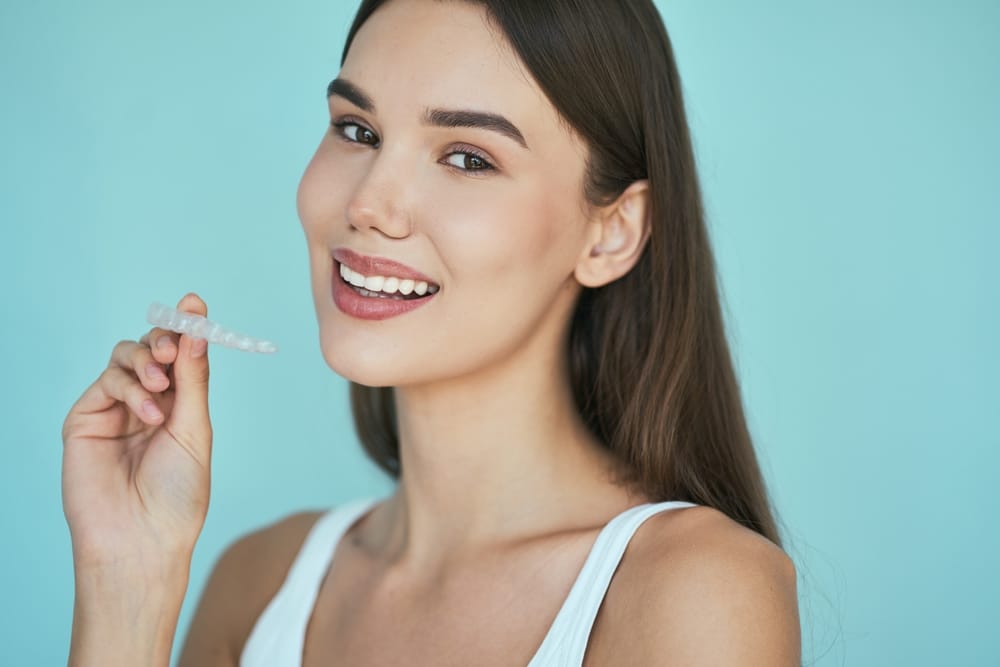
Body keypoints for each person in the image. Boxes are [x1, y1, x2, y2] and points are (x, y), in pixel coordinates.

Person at [62, 0, 802, 664]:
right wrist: (126, 583)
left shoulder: (694, 590)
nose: (370, 203)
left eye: (468, 157)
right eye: (358, 129)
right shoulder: (256, 585)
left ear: (610, 233)